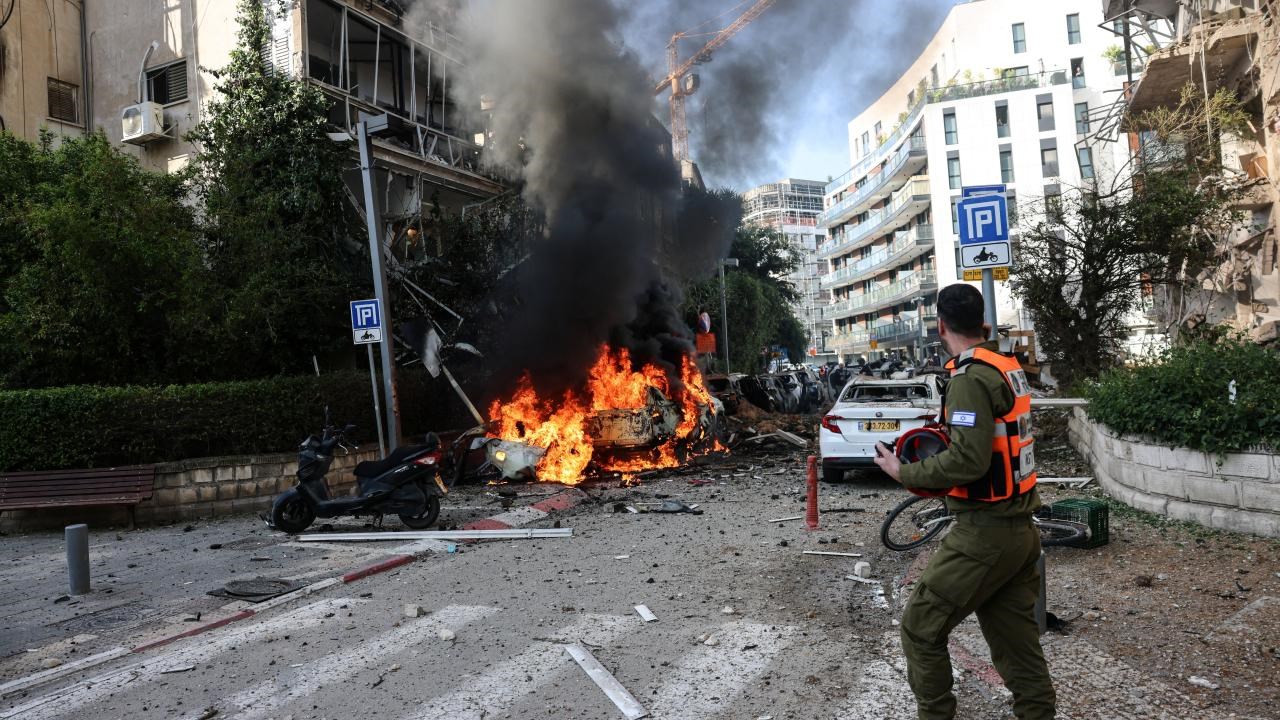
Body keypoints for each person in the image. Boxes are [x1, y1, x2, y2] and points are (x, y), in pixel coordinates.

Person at [873, 284, 1055, 720]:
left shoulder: (970, 378)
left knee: (920, 628)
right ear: (982, 323)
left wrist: (904, 472)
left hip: (984, 534)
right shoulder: (1004, 365)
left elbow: (968, 461)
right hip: (1018, 532)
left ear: (941, 326)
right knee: (1017, 647)